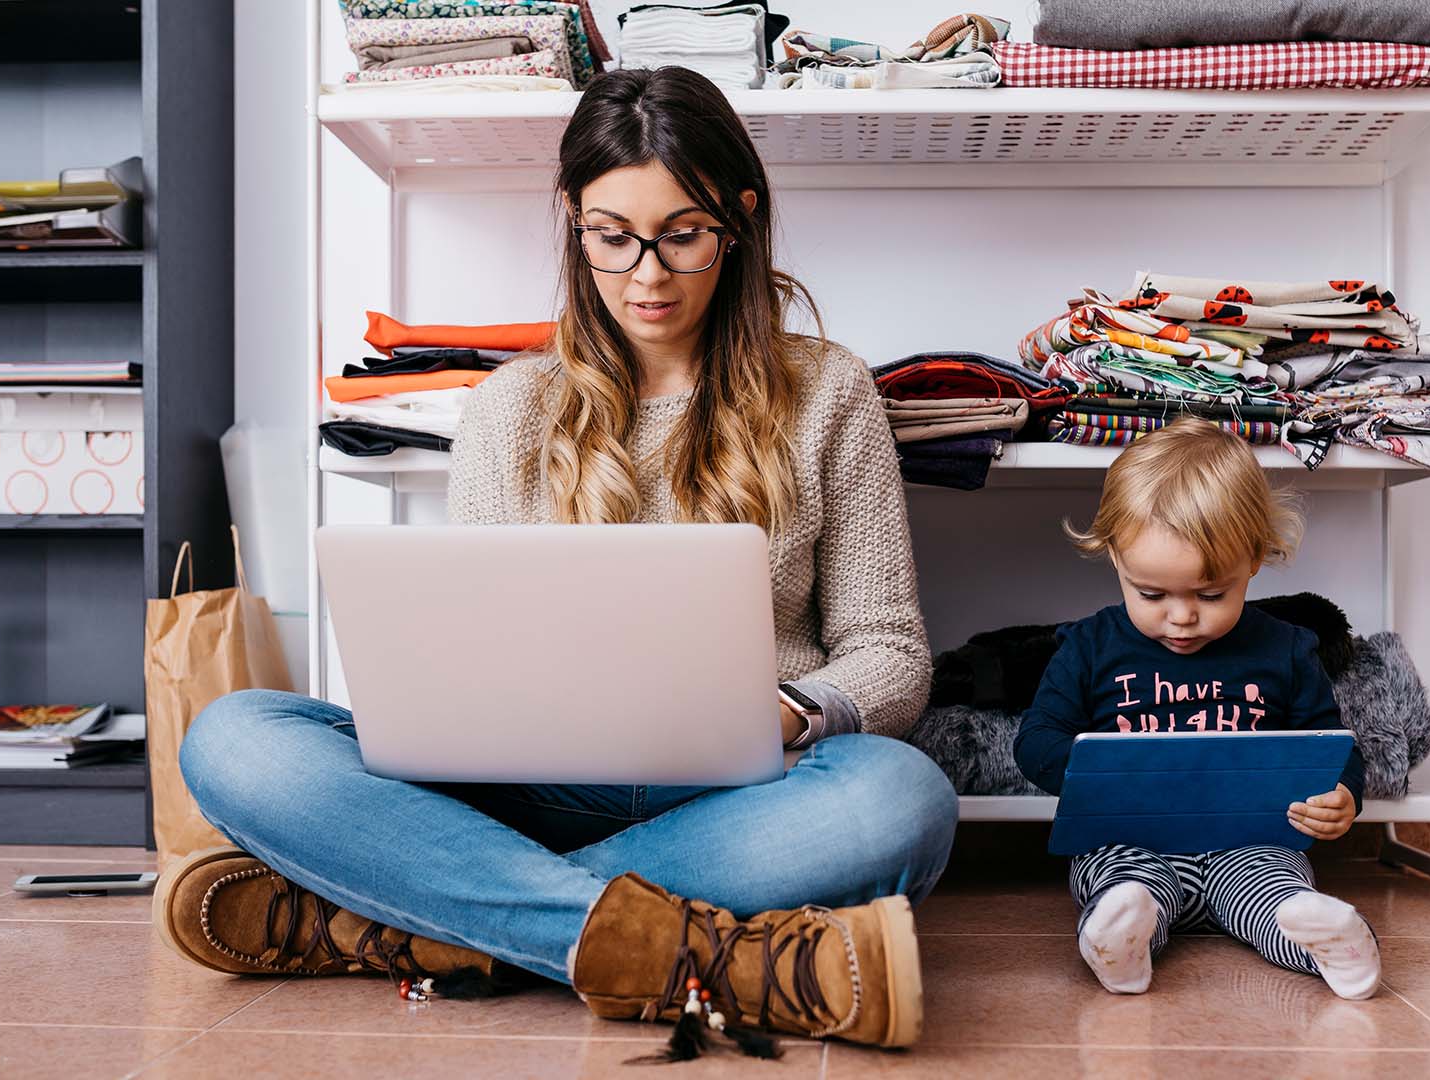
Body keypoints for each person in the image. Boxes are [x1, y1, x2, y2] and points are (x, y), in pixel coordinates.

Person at [156, 67, 957, 1051]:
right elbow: (478, 655)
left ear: (740, 219)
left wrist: (794, 709)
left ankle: (435, 923)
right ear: (574, 220)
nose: (647, 275)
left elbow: (891, 655)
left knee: (902, 800)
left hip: (739, 794)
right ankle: (676, 948)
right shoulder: (509, 409)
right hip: (525, 793)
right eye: (611, 238)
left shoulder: (829, 390)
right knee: (234, 736)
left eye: (683, 235)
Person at [1012, 418, 1381, 1000]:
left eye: (1211, 595)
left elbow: (1327, 744)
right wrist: (1094, 776)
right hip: (1132, 836)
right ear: (1115, 560)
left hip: (1249, 839)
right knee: (1123, 883)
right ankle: (1124, 938)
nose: (1181, 617)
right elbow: (1036, 739)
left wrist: (1342, 796)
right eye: (1151, 594)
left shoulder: (1284, 648)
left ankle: (1325, 936)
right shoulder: (1089, 646)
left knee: (1271, 889)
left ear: (1254, 561)